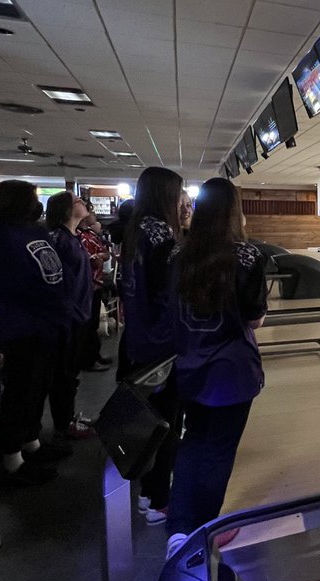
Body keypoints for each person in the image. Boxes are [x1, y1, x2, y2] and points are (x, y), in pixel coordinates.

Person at [164, 177, 267, 555]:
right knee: (219, 450)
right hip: (231, 372)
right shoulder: (247, 256)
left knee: (193, 440)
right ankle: (203, 531)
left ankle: (178, 529)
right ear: (234, 211)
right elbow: (255, 318)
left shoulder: (177, 254)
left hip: (189, 365)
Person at [0, 180, 71, 485]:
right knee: (20, 391)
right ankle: (12, 459)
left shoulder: (34, 230)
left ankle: (32, 441)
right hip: (23, 324)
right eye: (31, 198)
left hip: (47, 322)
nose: (37, 203)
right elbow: (17, 280)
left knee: (39, 386)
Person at [119, 167, 186, 525]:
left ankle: (148, 493)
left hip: (140, 340)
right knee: (165, 426)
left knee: (153, 423)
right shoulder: (161, 237)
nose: (182, 200)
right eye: (178, 193)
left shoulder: (136, 231)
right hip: (162, 345)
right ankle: (159, 500)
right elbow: (172, 295)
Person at [44, 191, 96, 442]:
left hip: (79, 313)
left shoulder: (74, 237)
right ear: (65, 209)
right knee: (63, 373)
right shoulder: (58, 239)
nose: (83, 202)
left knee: (71, 371)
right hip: (68, 316)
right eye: (77, 201)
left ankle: (69, 417)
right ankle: (63, 423)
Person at [78, 211, 112, 371]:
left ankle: (94, 355)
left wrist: (102, 256)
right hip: (87, 285)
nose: (93, 214)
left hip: (97, 283)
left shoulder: (91, 234)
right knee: (87, 324)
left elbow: (105, 253)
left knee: (93, 323)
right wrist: (95, 258)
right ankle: (88, 360)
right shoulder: (78, 236)